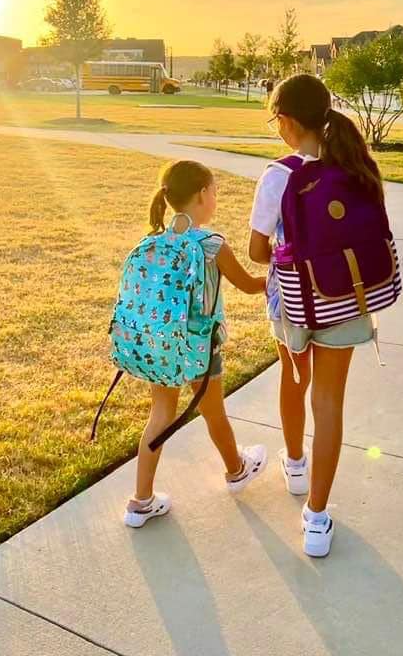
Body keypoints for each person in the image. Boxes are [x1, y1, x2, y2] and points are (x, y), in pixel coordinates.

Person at [249, 74, 385, 557]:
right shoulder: (353, 163)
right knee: (329, 405)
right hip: (347, 302)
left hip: (294, 305)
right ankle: (317, 517)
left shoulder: (277, 175)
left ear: (285, 121)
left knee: (293, 378)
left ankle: (294, 463)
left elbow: (257, 252)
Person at [124, 160, 269, 528]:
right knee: (213, 411)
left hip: (161, 342)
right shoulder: (211, 244)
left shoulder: (154, 240)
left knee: (160, 413)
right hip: (199, 346)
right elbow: (251, 285)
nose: (216, 197)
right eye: (215, 191)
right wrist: (280, 273)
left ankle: (141, 501)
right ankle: (236, 470)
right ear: (203, 194)